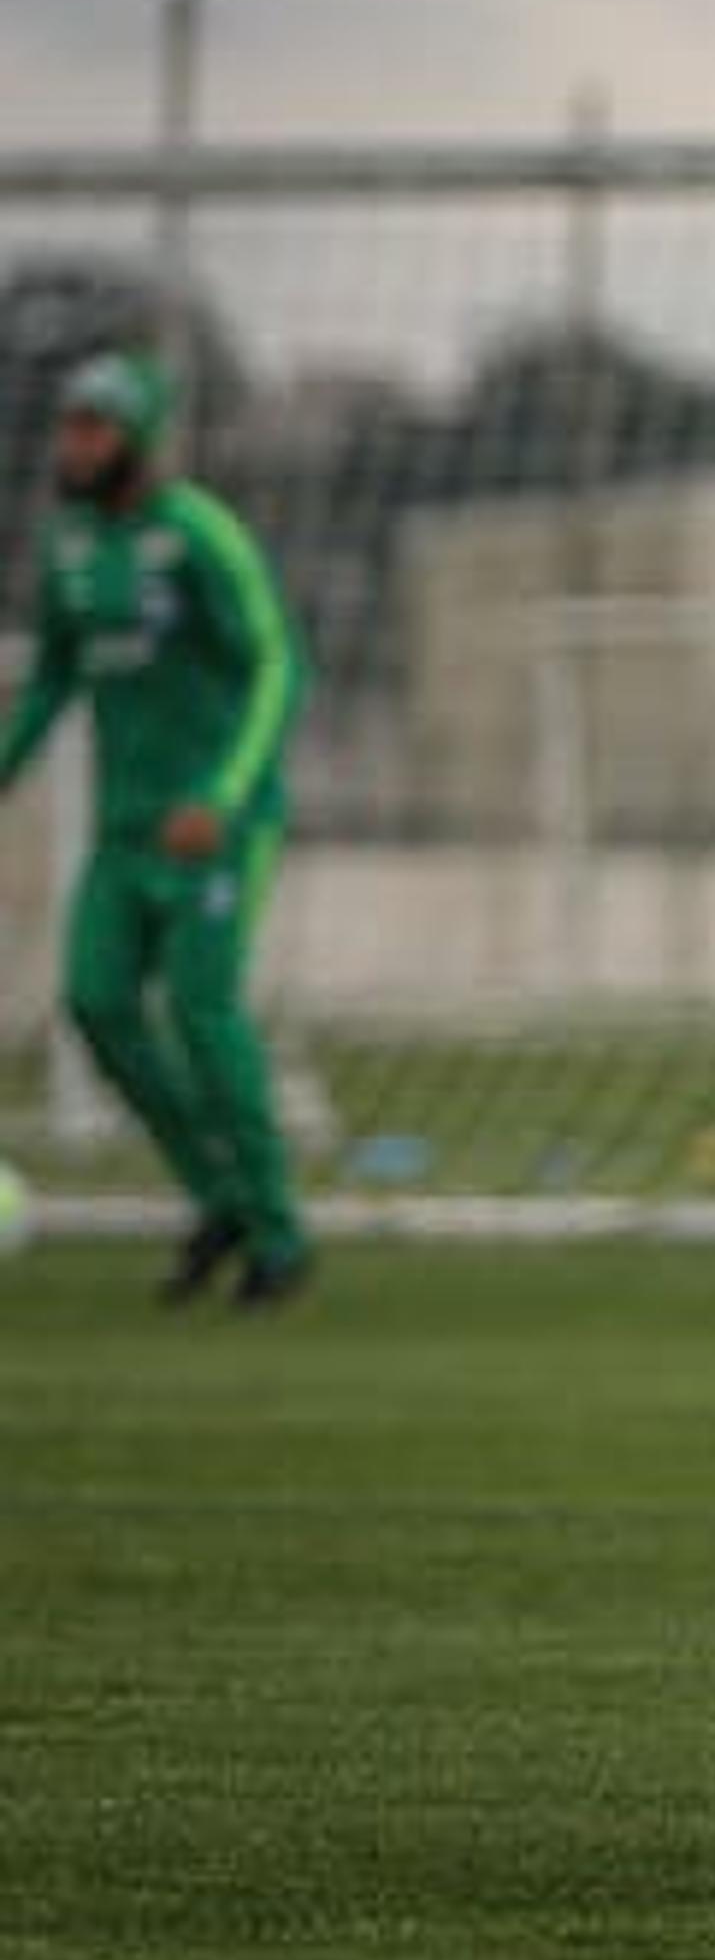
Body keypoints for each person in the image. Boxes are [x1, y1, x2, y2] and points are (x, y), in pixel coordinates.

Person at [0, 353, 314, 1306]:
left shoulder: (198, 534)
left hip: (216, 828)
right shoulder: (69, 547)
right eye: (69, 425)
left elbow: (276, 666)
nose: (76, 444)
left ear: (136, 437)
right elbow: (55, 674)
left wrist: (221, 794)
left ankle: (277, 1231)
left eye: (95, 427)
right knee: (95, 1004)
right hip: (123, 831)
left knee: (202, 1013)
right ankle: (215, 1194)